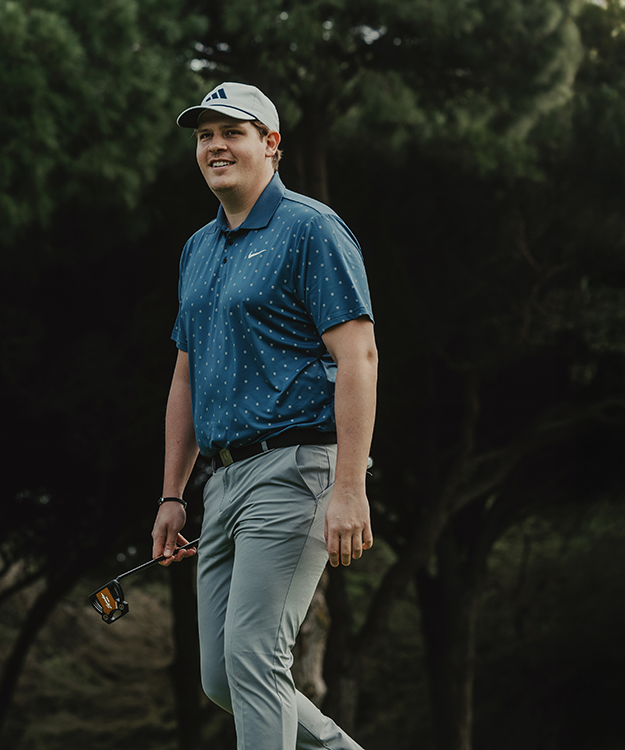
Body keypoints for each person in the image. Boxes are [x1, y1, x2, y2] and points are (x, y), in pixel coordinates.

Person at [151, 81, 377, 750]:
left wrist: (350, 486)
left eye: (233, 131)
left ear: (270, 145)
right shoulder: (197, 249)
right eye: (204, 135)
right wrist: (171, 492)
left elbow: (359, 356)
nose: (216, 145)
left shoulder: (312, 229)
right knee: (223, 677)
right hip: (220, 483)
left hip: (296, 467)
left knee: (254, 658)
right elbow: (187, 374)